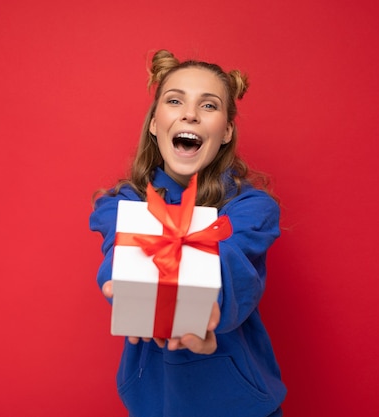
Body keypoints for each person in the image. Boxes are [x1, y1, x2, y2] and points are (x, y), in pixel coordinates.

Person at [89, 49, 285, 417]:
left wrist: (204, 313)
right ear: (154, 123)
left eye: (209, 106)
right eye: (174, 100)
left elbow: (235, 271)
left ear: (226, 131)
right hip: (154, 404)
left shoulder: (252, 207)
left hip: (242, 405)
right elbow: (120, 259)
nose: (190, 113)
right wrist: (130, 295)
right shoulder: (120, 205)